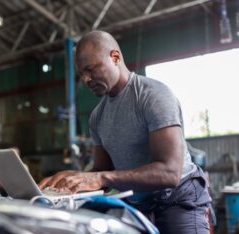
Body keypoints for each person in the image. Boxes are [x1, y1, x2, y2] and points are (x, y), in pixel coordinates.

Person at [39, 30, 212, 234]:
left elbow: (170, 172)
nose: (86, 79)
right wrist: (74, 178)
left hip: (177, 197)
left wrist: (102, 177)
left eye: (90, 69)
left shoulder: (152, 96)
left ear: (115, 57)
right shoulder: (97, 116)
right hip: (139, 203)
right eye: (81, 74)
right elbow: (101, 170)